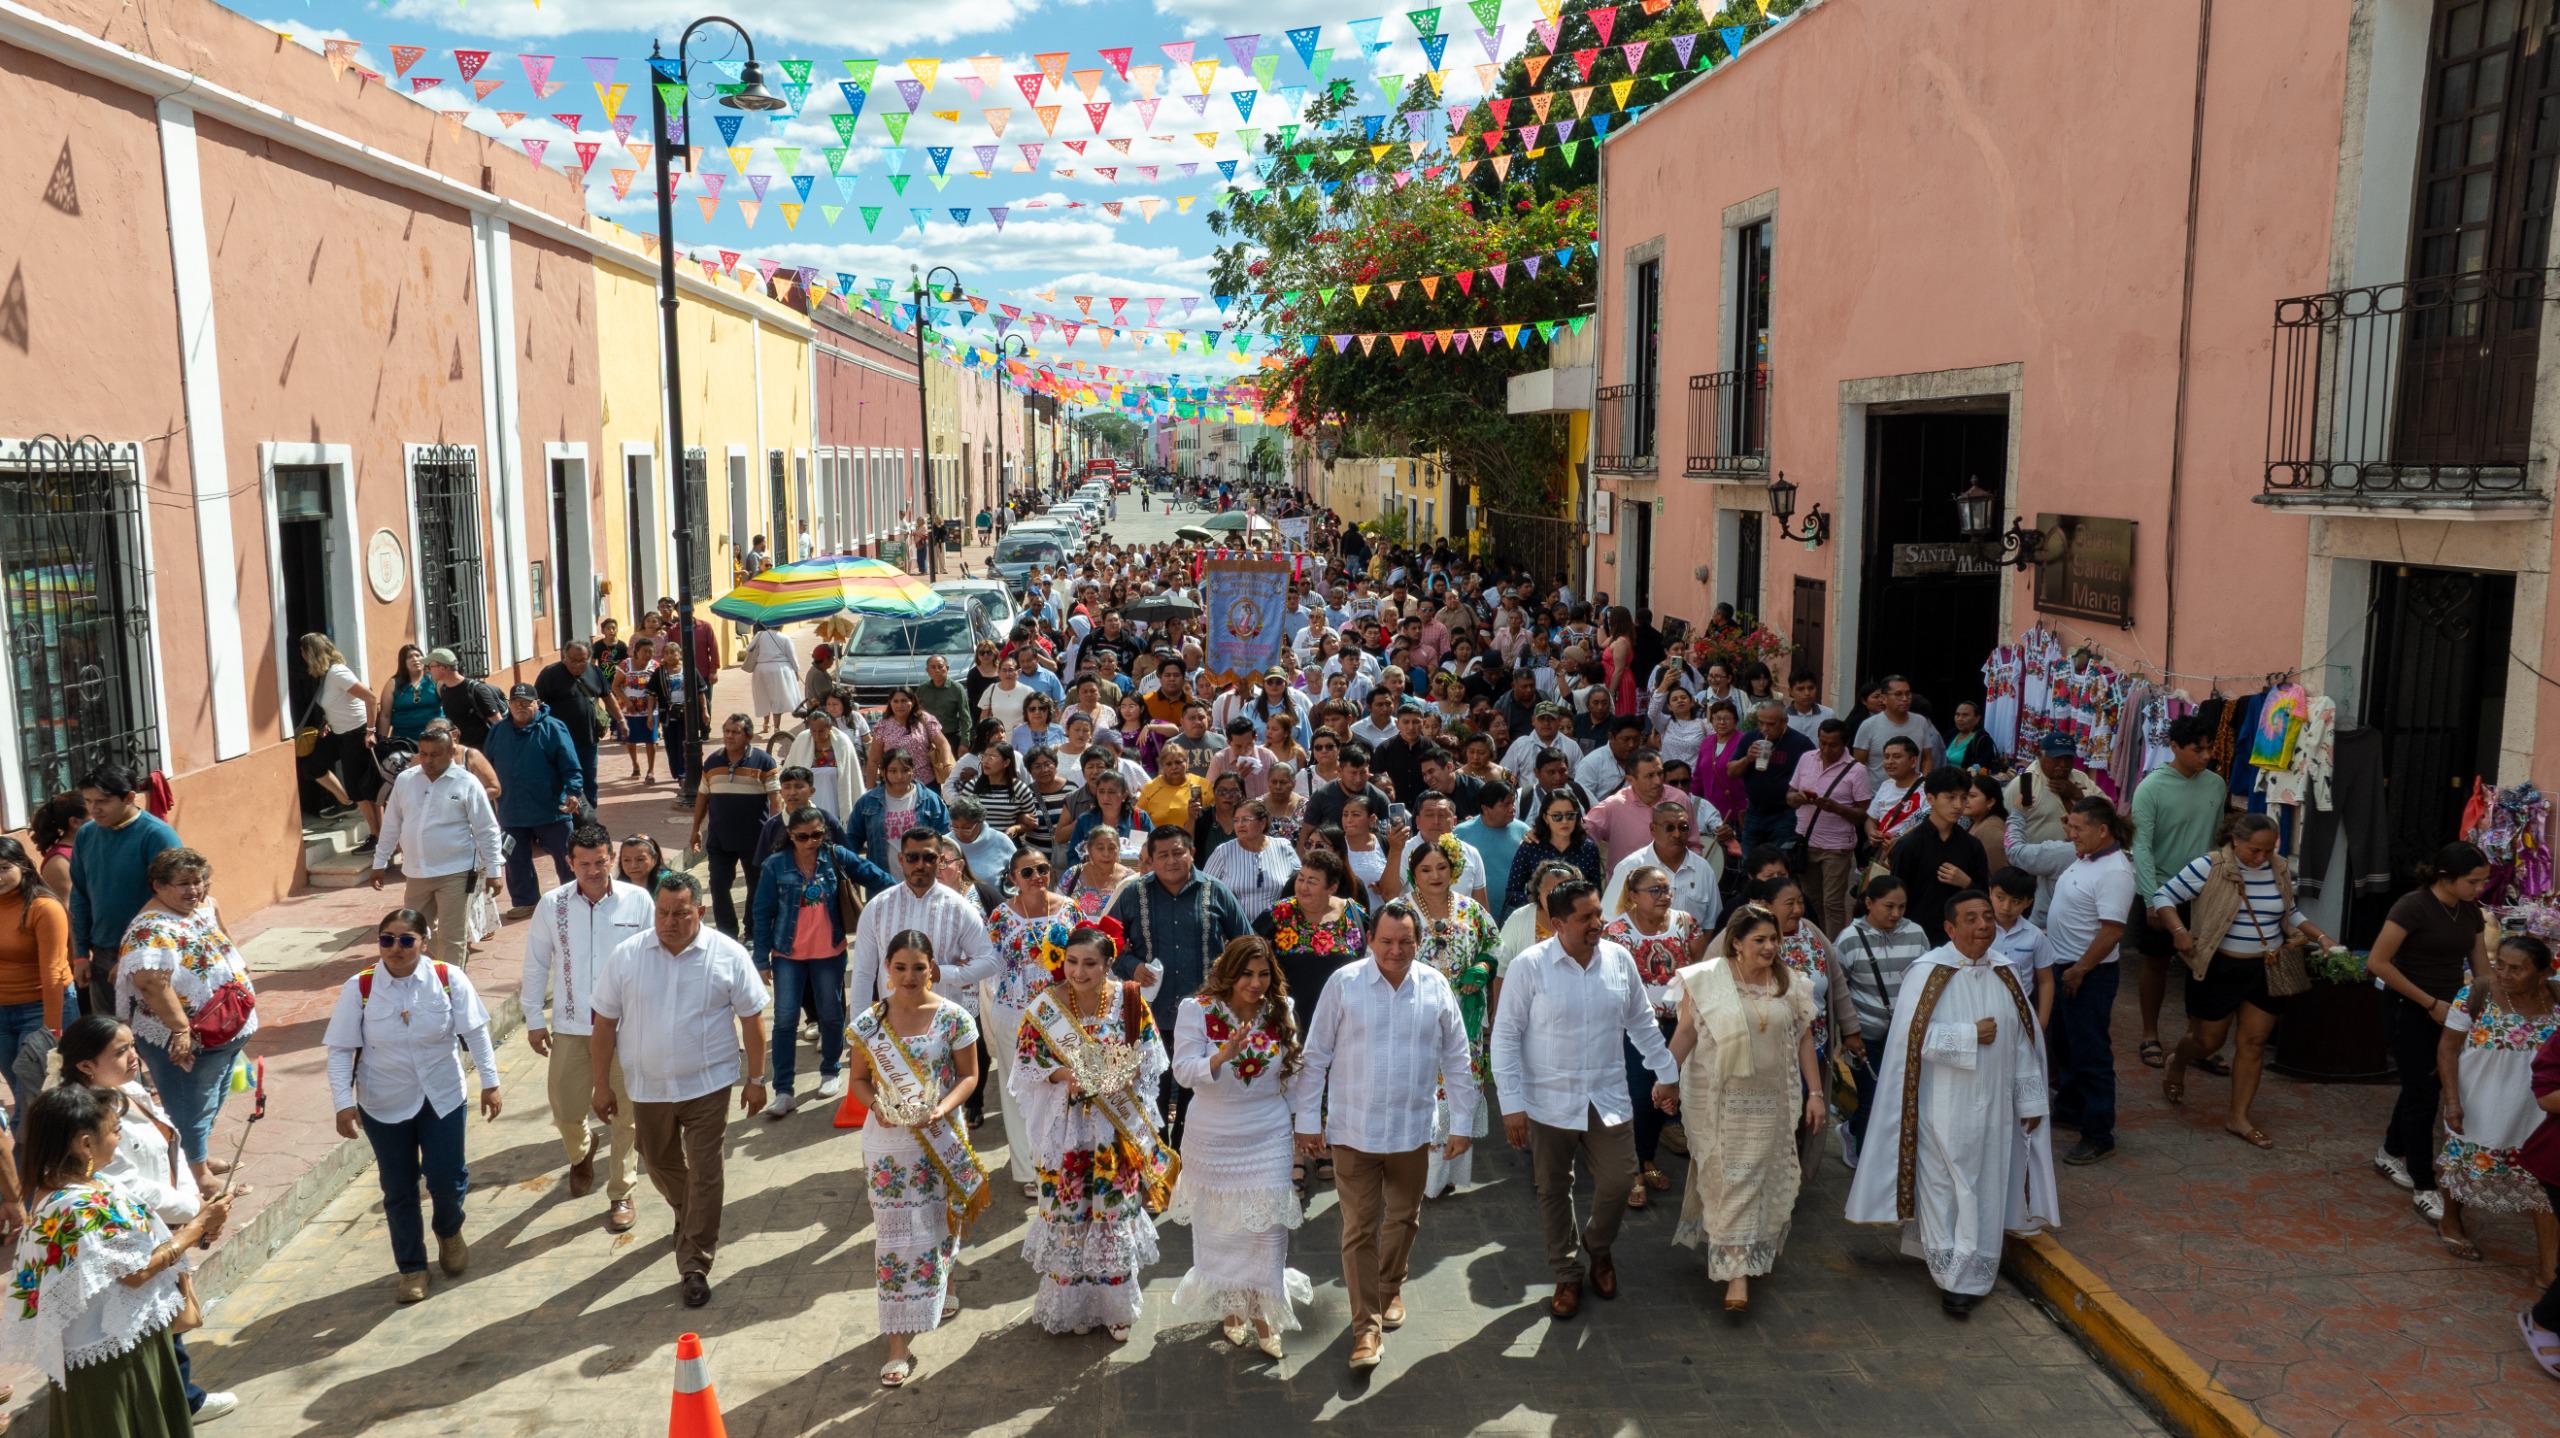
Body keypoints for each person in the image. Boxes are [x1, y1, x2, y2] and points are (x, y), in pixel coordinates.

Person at [1844, 890, 2058, 1314]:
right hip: (1942, 1105)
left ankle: (1973, 1268)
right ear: (1950, 928)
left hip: (1995, 1106)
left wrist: (2030, 1102)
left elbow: (2024, 1043)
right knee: (1944, 1184)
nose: (1983, 926)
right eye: (1972, 919)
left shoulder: (2006, 972)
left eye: (1987, 918)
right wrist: (1968, 1035)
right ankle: (1951, 1274)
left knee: (1985, 1184)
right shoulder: (1928, 972)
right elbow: (1909, 1040)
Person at [1291, 901, 1476, 1371]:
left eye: (1406, 942)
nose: (1396, 951)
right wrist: (1306, 1121)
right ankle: (1366, 1330)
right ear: (1369, 939)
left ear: (1418, 942)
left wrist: (1463, 1124)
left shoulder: (1435, 986)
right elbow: (1316, 1057)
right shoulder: (1344, 984)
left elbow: (1457, 1057)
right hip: (1353, 1131)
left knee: (1405, 1219)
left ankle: (1391, 1284)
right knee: (1358, 1231)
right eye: (1387, 941)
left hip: (1413, 1130)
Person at [1492, 880, 1678, 1319]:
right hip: (1548, 1101)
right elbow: (1505, 1035)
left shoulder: (1618, 959)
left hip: (1607, 1096)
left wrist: (1668, 1072)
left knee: (1618, 1180)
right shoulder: (1529, 966)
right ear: (1558, 924)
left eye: (1598, 914)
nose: (1598, 924)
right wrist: (1511, 1104)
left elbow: (1641, 1022)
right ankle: (1566, 1272)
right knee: (1553, 1189)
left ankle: (1598, 1247)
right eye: (1586, 918)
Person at [589, 872, 771, 1307]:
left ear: (700, 913)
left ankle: (694, 1263)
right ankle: (690, 1215)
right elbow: (604, 1023)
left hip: (708, 1084)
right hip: (647, 1087)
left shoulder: (728, 955)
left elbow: (752, 1019)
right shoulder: (628, 956)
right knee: (657, 1161)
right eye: (663, 913)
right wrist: (600, 1084)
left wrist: (757, 1079)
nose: (669, 922)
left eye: (680, 914)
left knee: (707, 1170)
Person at [9, 1085, 233, 1436]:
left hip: (131, 1339)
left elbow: (137, 1243)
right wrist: (196, 1229)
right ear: (85, 1144)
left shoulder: (86, 1187)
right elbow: (136, 1272)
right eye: (115, 1131)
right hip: (112, 1362)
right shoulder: (77, 1207)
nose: (119, 1137)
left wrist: (197, 1227)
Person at [324, 907, 502, 1302]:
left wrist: (490, 1083)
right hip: (383, 1101)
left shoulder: (447, 978)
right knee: (399, 1188)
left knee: (446, 1177)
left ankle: (449, 1229)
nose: (396, 948)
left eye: (406, 940)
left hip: (441, 1096)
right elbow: (340, 1050)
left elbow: (475, 1031)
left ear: (424, 941)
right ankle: (412, 1268)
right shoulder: (361, 987)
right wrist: (342, 1104)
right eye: (387, 940)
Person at [1009, 923, 1174, 1341]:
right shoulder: (1044, 1007)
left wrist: (1123, 1074)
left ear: (1107, 965)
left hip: (1114, 1130)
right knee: (1070, 1215)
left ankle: (1115, 1307)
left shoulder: (1130, 1001)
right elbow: (1027, 1065)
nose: (1078, 972)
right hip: (1066, 1131)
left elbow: (1151, 1055)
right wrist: (1069, 1074)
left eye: (1089, 964)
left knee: (1111, 1212)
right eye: (1071, 962)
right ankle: (1074, 1307)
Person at [846, 929, 991, 1387]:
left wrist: (941, 1110)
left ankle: (941, 1283)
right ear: (888, 969)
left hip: (941, 1136)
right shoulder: (870, 1024)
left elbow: (970, 1075)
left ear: (933, 968)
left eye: (919, 967)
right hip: (889, 1146)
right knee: (895, 1241)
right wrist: (879, 1108)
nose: (909, 976)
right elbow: (859, 1081)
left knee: (938, 1225)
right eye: (900, 967)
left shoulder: (954, 1018)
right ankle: (897, 1341)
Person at [1665, 904, 1822, 1312]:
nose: (1770, 947)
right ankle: (1735, 1266)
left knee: (1754, 1179)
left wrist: (1816, 1094)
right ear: (1736, 943)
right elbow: (1686, 1033)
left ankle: (1739, 1271)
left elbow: (1804, 1040)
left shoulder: (1792, 985)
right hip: (1719, 1101)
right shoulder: (1707, 982)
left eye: (1774, 940)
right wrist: (1664, 1077)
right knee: (1727, 1178)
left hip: (1772, 1103)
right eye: (1760, 940)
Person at [2150, 813, 2334, 1150]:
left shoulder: (2277, 867)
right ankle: (2179, 1060)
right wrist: (2178, 931)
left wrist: (2321, 936)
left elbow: (2289, 912)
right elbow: (2162, 896)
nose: (2261, 857)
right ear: (2236, 840)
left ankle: (2238, 1116)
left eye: (2268, 850)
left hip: (2265, 968)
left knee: (2253, 1043)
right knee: (2208, 1042)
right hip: (2219, 968)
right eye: (2254, 850)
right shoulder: (2210, 865)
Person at [1167, 936, 1310, 1358]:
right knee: (1220, 1230)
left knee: (1267, 1230)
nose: (1255, 982)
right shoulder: (1198, 1011)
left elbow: (1297, 1073)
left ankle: (1266, 1317)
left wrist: (1306, 1126)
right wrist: (1220, 1056)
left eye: (1263, 974)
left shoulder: (1279, 1010)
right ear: (1229, 972)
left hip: (1268, 1131)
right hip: (1212, 1136)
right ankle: (1232, 1310)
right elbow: (1182, 1072)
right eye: (1247, 974)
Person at [521, 825, 652, 1234]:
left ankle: (621, 1192)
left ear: (611, 858)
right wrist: (531, 1017)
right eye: (584, 863)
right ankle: (581, 1152)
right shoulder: (552, 904)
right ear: (569, 862)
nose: (593, 871)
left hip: (626, 1027)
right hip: (572, 1026)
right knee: (564, 1104)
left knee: (625, 1115)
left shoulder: (639, 900)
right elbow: (535, 963)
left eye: (600, 862)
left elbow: (655, 960)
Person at [2366, 841, 2495, 1220]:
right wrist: (2429, 1003)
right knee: (2423, 1094)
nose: (2479, 889)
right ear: (2446, 877)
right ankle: (2425, 1184)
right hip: (2410, 1007)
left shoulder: (2469, 911)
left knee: (2423, 1086)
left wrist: (2488, 1008)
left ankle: (2390, 1152)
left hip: (2451, 1012)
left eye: (2483, 882)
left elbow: (2481, 966)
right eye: (2473, 881)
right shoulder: (2412, 906)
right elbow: (2378, 962)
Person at [113, 848, 256, 1189]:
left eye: (199, 881)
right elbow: (150, 982)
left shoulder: (196, 909)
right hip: (185, 1038)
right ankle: (195, 1176)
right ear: (159, 886)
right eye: (183, 884)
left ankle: (198, 1156)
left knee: (214, 1096)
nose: (195, 890)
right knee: (189, 1105)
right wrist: (180, 1030)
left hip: (223, 1032)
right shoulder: (149, 929)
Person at [749, 807, 897, 1118]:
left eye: (817, 834)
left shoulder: (836, 856)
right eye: (802, 836)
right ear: (791, 836)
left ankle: (831, 1071)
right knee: (785, 1020)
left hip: (829, 951)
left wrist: (907, 893)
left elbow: (877, 877)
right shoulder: (775, 865)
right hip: (787, 954)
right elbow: (761, 913)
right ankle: (784, 1090)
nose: (811, 841)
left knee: (831, 1015)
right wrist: (761, 958)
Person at [1109, 828, 1252, 1147]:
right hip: (1150, 1017)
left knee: (1199, 1097)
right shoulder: (1134, 894)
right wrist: (1133, 966)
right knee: (1153, 1096)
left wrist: (1228, 980)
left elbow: (1246, 943)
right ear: (1151, 859)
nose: (1172, 860)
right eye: (1163, 855)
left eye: (1178, 852)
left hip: (1205, 1016)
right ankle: (1159, 1172)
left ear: (1192, 853)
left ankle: (1192, 1167)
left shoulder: (1216, 892)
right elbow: (1107, 943)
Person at [2435, 934, 2560, 1275]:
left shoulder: (2556, 1001)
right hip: (2480, 1103)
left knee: (2541, 1183)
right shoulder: (2476, 995)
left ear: (2544, 973)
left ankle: (2549, 1269)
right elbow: (2447, 1049)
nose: (2504, 973)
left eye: (2517, 969)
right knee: (2460, 1166)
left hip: (2537, 1110)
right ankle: (2451, 1221)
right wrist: (2452, 1102)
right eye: (2500, 964)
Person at [2038, 797, 2141, 1166]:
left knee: (2090, 1053)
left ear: (2102, 830)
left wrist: (2080, 969)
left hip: (2087, 974)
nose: (2071, 833)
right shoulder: (2085, 859)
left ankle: (2098, 1133)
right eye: (2070, 825)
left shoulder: (2115, 871)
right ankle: (2069, 1107)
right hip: (2065, 968)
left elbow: (2112, 931)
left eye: (2078, 828)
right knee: (2064, 1044)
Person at [1402, 837, 1502, 1200]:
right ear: (1413, 873)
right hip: (1417, 1013)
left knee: (1458, 1087)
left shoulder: (1471, 909)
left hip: (1465, 1012)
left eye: (1442, 868)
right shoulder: (1402, 911)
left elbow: (1494, 944)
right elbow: (1384, 953)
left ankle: (1446, 1175)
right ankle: (1416, 1177)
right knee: (1423, 1091)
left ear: (1453, 870)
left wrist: (1481, 966)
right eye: (1426, 869)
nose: (1435, 875)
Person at [1600, 863, 1705, 1208]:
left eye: (1666, 890)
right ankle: (1632, 1169)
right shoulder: (1617, 932)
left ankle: (1646, 1158)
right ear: (1632, 896)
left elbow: (1699, 969)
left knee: (1668, 1093)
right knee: (1640, 1094)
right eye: (1654, 890)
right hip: (1637, 1028)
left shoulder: (1684, 924)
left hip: (1680, 1025)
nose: (1664, 896)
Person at [2130, 715, 2229, 1071]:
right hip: (2162, 888)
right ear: (2174, 748)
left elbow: (2219, 838)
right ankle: (2149, 1035)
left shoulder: (2216, 785)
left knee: (2201, 966)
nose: (2205, 755)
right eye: (2196, 749)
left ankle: (2197, 1041)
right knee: (2155, 962)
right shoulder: (2151, 788)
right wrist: (2151, 896)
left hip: (2204, 893)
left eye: (2208, 748)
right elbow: (2140, 846)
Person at [369, 721, 505, 968]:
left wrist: (495, 872)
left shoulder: (467, 782)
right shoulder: (406, 780)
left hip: (456, 872)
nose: (428, 760)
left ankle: (451, 991)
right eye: (423, 754)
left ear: (451, 753)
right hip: (416, 873)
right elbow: (391, 825)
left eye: (435, 754)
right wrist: (379, 862)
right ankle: (418, 986)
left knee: (452, 938)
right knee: (412, 935)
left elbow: (487, 829)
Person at [68, 763, 184, 1025]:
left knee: (159, 1036)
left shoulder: (157, 835)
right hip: (103, 955)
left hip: (152, 955)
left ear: (130, 797)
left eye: (102, 801)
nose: (93, 809)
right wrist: (80, 955)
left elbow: (175, 901)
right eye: (87, 801)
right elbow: (80, 895)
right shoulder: (86, 834)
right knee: (112, 1043)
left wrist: (134, 955)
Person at [484, 684, 585, 915]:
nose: (520, 706)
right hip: (512, 810)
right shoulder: (498, 731)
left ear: (537, 703)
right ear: (508, 704)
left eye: (526, 702)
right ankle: (526, 902)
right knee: (515, 859)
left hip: (551, 809)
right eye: (515, 702)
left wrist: (573, 792)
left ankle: (575, 899)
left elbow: (571, 766)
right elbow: (486, 765)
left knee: (567, 857)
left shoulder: (553, 728)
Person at [689, 715, 783, 938]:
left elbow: (775, 799)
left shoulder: (764, 762)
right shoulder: (712, 762)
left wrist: (774, 833)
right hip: (720, 837)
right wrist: (695, 829)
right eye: (727, 731)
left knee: (756, 886)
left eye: (735, 732)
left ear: (748, 736)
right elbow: (703, 796)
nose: (729, 736)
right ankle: (727, 933)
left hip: (755, 838)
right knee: (718, 885)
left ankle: (752, 932)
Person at [0, 836, 72, 1117]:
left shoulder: (43, 907)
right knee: (22, 1086)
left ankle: (28, 1157)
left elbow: (53, 970)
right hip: (2, 1013)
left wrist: (52, 1030)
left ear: (23, 866)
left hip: (42, 1008)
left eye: (4, 868)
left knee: (37, 1093)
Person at [1787, 720, 1871, 940]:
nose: (1825, 749)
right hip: (1806, 842)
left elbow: (1864, 814)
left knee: (1832, 903)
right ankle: (1815, 942)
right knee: (1811, 900)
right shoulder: (1807, 758)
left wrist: (1837, 808)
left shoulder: (1857, 771)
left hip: (1837, 847)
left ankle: (1833, 950)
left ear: (1845, 744)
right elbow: (1789, 796)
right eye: (1822, 743)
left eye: (1832, 745)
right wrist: (1797, 798)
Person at [1890, 768, 1992, 947]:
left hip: (1962, 938)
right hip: (1918, 938)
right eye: (1951, 797)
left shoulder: (1972, 846)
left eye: (1963, 797)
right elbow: (1897, 897)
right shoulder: (1909, 845)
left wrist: (1966, 883)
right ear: (1931, 799)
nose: (1958, 805)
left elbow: (1985, 896)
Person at [299, 634, 382, 832]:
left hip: (356, 733)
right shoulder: (325, 675)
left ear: (311, 653)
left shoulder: (337, 673)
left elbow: (370, 698)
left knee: (361, 788)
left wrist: (370, 731)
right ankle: (346, 801)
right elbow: (338, 702)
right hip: (338, 733)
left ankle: (377, 836)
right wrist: (327, 720)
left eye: (303, 652)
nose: (301, 657)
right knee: (312, 765)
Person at [533, 643, 607, 812]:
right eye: (573, 660)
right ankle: (565, 816)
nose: (577, 664)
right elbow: (537, 705)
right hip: (559, 743)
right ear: (564, 657)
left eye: (582, 660)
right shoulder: (549, 674)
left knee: (588, 780)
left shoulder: (594, 671)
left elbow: (607, 695)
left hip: (588, 739)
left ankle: (589, 817)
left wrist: (620, 720)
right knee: (561, 779)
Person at [1504, 792, 1604, 913]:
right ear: (1546, 818)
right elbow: (1513, 892)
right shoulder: (1530, 847)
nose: (1564, 821)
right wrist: (1542, 903)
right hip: (1538, 919)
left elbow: (1595, 891)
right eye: (1557, 816)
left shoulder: (1588, 849)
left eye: (1570, 816)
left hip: (1576, 919)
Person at [1204, 800, 1299, 917]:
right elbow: (1205, 889)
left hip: (1278, 927)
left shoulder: (1283, 847)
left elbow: (1299, 883)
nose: (1240, 824)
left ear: (1262, 823)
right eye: (1236, 820)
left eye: (1246, 819)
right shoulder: (1223, 852)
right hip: (1236, 930)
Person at [1456, 781, 1532, 923]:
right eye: (1505, 805)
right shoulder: (1461, 833)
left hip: (1516, 915)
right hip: (1473, 916)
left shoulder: (1524, 832)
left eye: (1513, 803)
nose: (1512, 809)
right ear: (1485, 808)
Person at [1851, 674, 1942, 779]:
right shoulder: (1868, 725)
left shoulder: (1921, 722)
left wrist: (1923, 784)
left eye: (1908, 694)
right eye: (1898, 694)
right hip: (1877, 793)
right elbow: (1858, 765)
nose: (1905, 699)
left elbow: (1927, 758)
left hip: (1912, 792)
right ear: (1884, 698)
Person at [743, 624, 799, 743]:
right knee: (777, 699)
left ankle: (766, 724)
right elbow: (792, 657)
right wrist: (796, 670)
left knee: (764, 697)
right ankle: (777, 728)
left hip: (761, 669)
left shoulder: (760, 635)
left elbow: (748, 649)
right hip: (779, 670)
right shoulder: (785, 638)